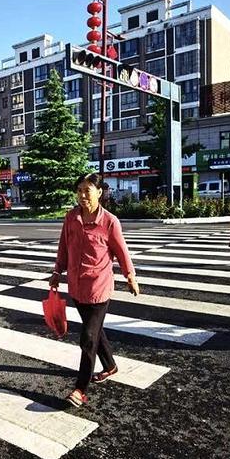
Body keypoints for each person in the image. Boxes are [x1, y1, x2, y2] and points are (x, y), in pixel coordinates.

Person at [49, 173, 140, 408]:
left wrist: (130, 276)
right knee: (95, 331)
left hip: (99, 288)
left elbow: (121, 251)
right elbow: (63, 247)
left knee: (88, 337)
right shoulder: (71, 218)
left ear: (99, 192)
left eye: (87, 191)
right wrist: (57, 272)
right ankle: (110, 366)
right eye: (79, 190)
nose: (82, 195)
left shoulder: (109, 222)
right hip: (77, 287)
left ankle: (80, 389)